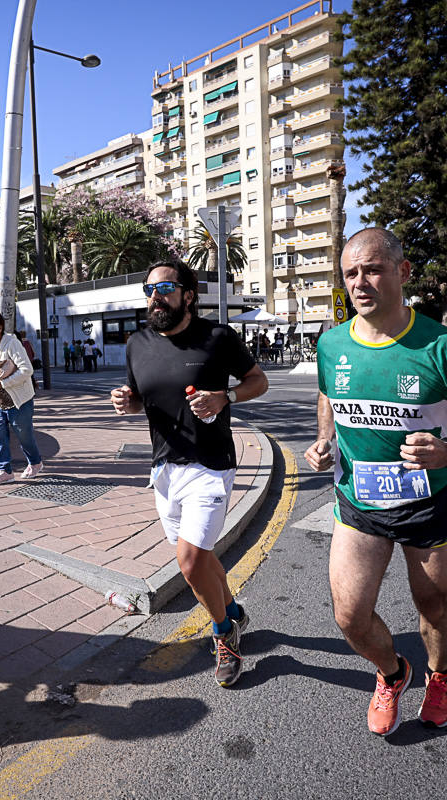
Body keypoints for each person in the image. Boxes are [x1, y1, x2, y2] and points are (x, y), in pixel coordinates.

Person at [304, 229, 447, 736]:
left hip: (427, 504)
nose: (360, 282)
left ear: (404, 272)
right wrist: (323, 440)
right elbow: (329, 396)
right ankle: (393, 673)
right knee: (350, 617)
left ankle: (439, 676)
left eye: (372, 269)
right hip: (359, 503)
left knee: (433, 606)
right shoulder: (332, 343)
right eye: (351, 273)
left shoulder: (444, 346)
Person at [110, 259, 268, 687]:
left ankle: (223, 632)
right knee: (200, 559)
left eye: (163, 287)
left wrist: (225, 396)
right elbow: (141, 399)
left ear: (188, 295)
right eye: (148, 290)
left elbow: (259, 380)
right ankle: (232, 611)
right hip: (164, 468)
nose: (155, 296)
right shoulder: (137, 343)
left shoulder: (218, 337)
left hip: (210, 465)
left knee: (191, 558)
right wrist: (129, 403)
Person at [0, 312, 43, 485]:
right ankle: (4, 471)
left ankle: (35, 462)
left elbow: (26, 369)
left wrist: (4, 383)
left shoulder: (11, 344)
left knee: (24, 435)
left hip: (19, 400)